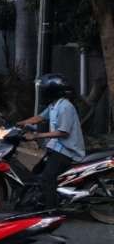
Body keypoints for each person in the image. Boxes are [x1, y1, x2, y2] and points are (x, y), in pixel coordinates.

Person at [15, 73, 85, 208]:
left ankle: (51, 211)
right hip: (56, 147)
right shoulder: (54, 104)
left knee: (47, 178)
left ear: (51, 91)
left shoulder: (65, 107)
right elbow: (40, 117)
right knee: (36, 172)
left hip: (67, 151)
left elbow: (63, 132)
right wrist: (20, 123)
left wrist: (37, 136)